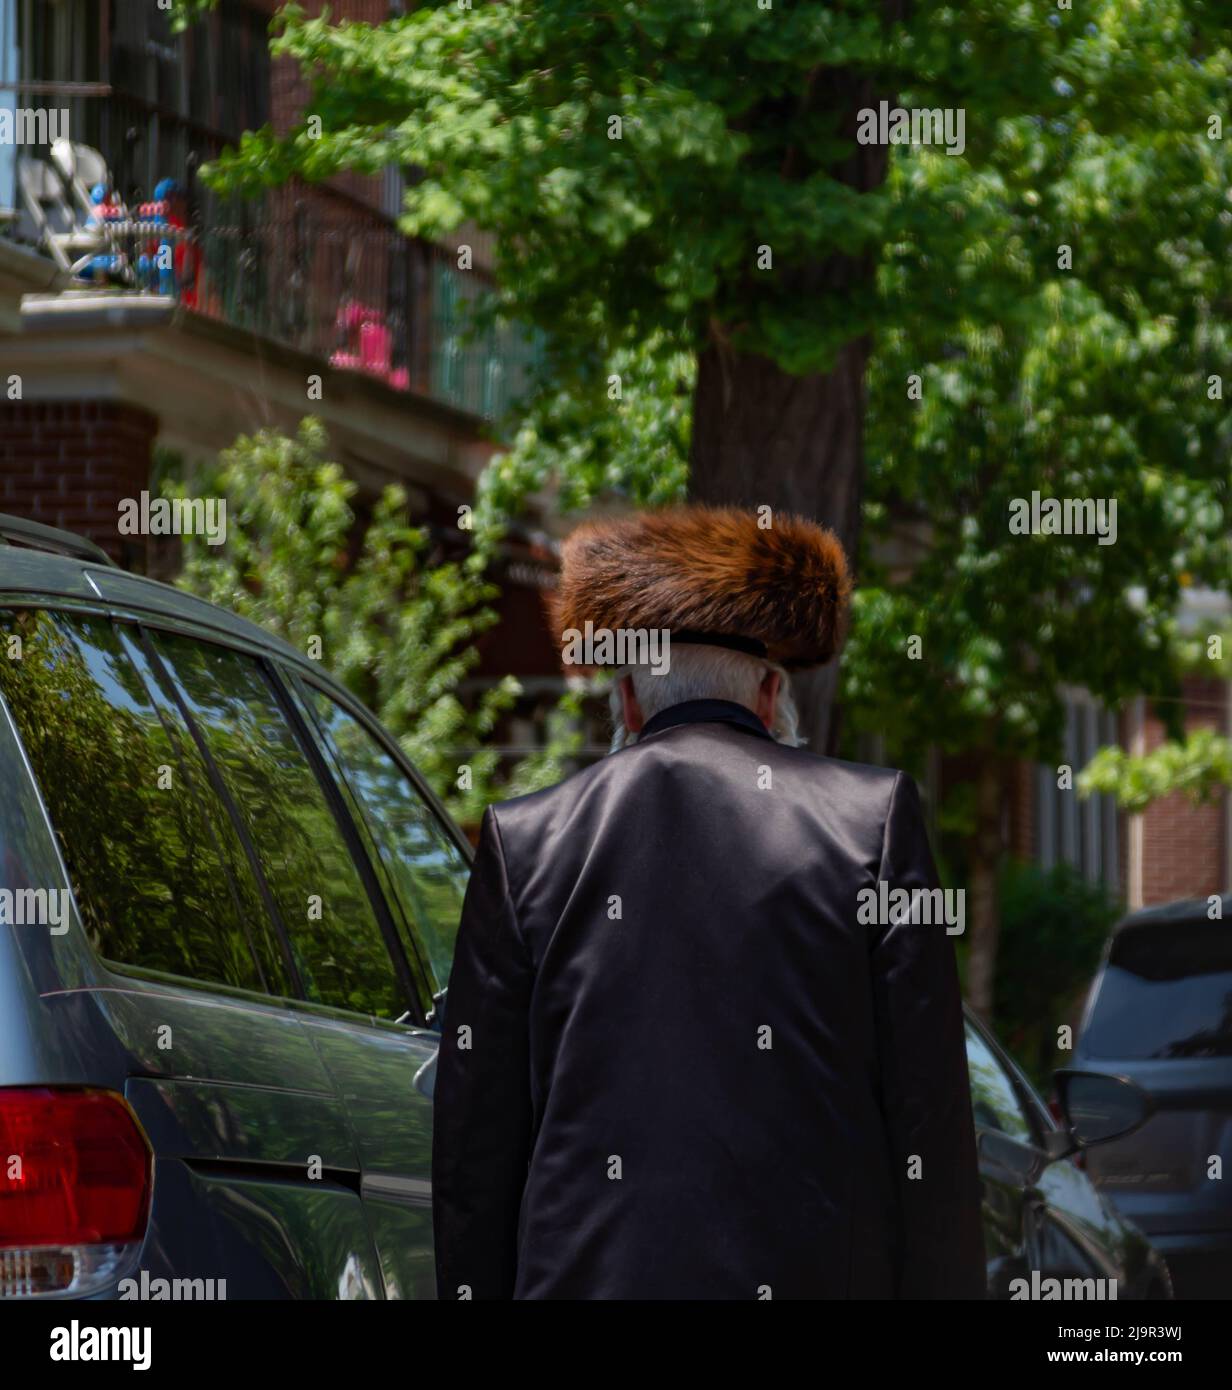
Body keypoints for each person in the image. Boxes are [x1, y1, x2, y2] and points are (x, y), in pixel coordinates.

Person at [432, 504, 985, 1299]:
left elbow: (473, 1156)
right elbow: (930, 1124)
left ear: (626, 700)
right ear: (770, 693)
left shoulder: (523, 842)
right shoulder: (873, 821)